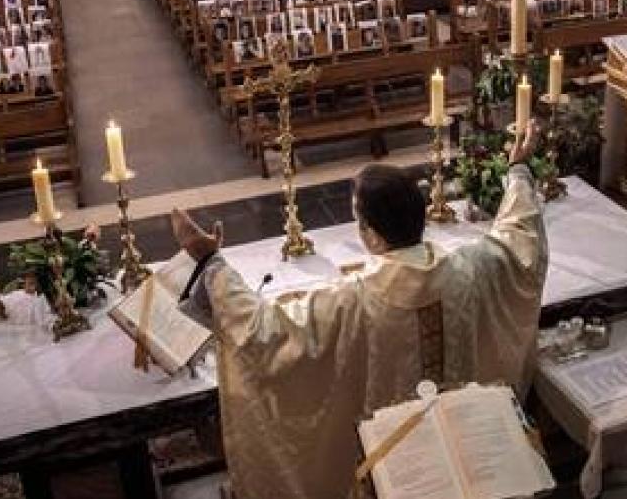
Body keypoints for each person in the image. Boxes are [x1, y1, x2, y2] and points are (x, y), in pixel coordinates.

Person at [171, 126, 549, 499]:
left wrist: (210, 262)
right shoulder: (471, 269)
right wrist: (517, 170)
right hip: (468, 450)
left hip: (392, 469)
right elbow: (519, 242)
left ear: (370, 234)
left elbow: (261, 333)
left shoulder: (352, 303)